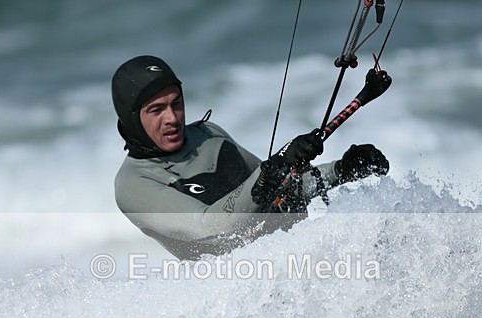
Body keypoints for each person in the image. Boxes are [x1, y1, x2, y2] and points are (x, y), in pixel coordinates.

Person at [112, 55, 392, 260]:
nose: (172, 118)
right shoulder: (134, 184)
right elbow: (209, 227)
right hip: (235, 304)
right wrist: (271, 171)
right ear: (132, 118)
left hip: (296, 268)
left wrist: (340, 170)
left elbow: (281, 193)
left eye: (177, 104)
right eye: (157, 110)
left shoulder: (207, 134)